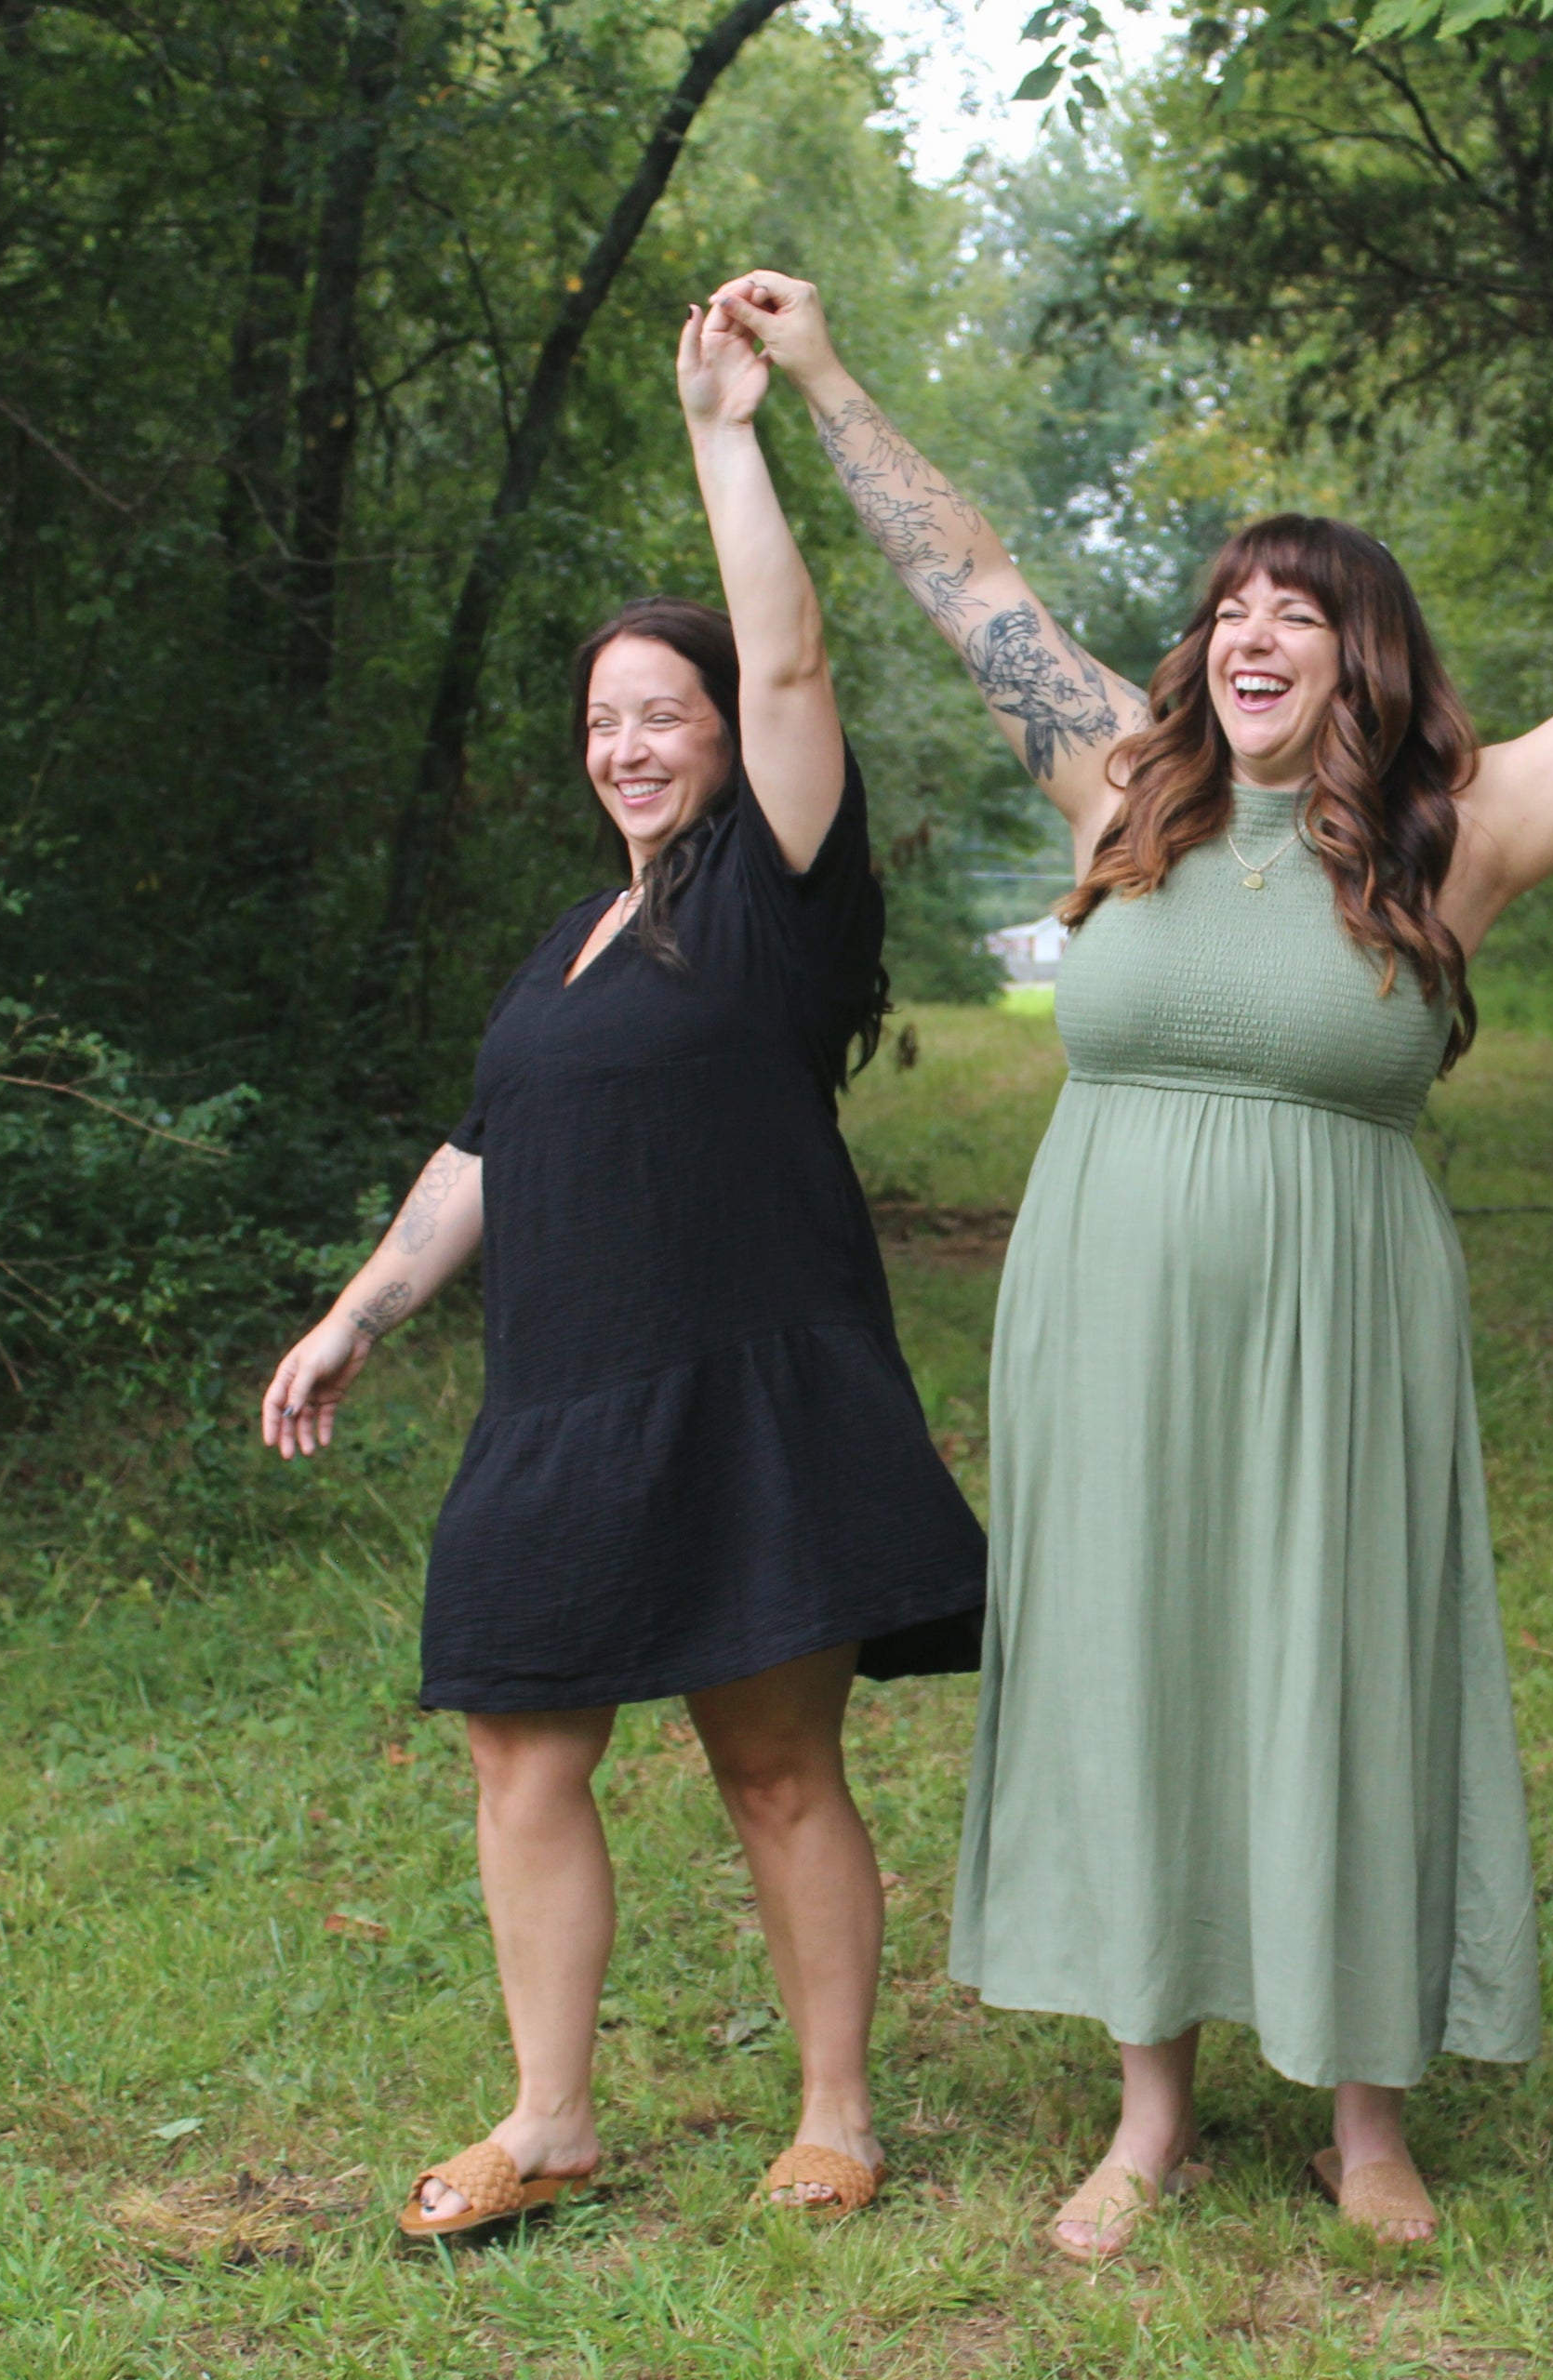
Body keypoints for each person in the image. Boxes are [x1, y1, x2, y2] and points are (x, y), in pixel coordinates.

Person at [710, 262, 1553, 2258]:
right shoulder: (1120, 788)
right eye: (1232, 605)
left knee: (1344, 1662)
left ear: (1368, 661)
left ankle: (1365, 2107)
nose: (1251, 632)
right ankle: (1150, 2108)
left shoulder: (1456, 840)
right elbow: (967, 583)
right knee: (1136, 1659)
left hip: (1344, 1326)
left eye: (1300, 609)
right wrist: (826, 376)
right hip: (1104, 1328)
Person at [259, 300, 987, 2238]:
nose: (628, 742)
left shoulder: (780, 894)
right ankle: (551, 2112)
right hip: (558, 1404)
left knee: (771, 1763)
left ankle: (836, 2108)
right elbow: (491, 1143)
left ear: (729, 734)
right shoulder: (580, 933)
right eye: (604, 721)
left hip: (745, 1379)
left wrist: (727, 434)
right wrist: (357, 1310)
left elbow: (803, 645)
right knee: (519, 1746)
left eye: (664, 709)